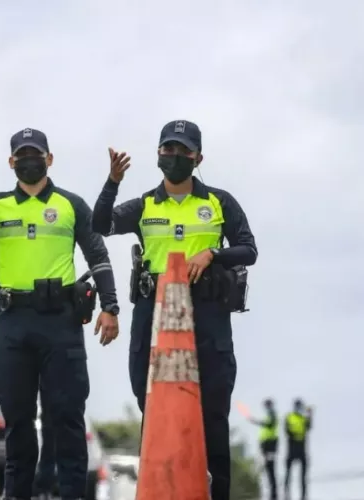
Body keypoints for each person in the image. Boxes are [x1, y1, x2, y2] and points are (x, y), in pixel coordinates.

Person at [0, 120, 121, 500]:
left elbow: (98, 256)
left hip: (61, 323)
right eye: (22, 157)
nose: (29, 162)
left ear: (50, 159)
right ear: (10, 163)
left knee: (67, 419)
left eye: (36, 155)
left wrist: (111, 306)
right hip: (12, 324)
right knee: (18, 425)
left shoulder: (70, 205)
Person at [91, 119, 258, 500]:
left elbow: (249, 248)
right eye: (168, 149)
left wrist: (213, 252)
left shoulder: (219, 202)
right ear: (158, 155)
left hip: (209, 314)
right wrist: (113, 181)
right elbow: (101, 224)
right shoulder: (145, 205)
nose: (176, 156)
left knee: (214, 414)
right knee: (149, 402)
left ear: (198, 157)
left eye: (183, 150)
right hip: (154, 315)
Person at [248, 398, 279, 500]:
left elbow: (269, 425)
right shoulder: (269, 416)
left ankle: (274, 494)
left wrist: (256, 421)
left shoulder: (273, 415)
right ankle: (270, 492)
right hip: (265, 447)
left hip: (270, 447)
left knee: (271, 470)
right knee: (267, 470)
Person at [284, 398, 313, 500]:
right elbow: (287, 431)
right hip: (292, 449)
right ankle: (286, 495)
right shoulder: (289, 417)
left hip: (302, 449)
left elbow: (309, 427)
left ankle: (303, 496)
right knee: (288, 474)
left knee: (303, 476)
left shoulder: (304, 418)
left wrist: (310, 415)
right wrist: (298, 434)